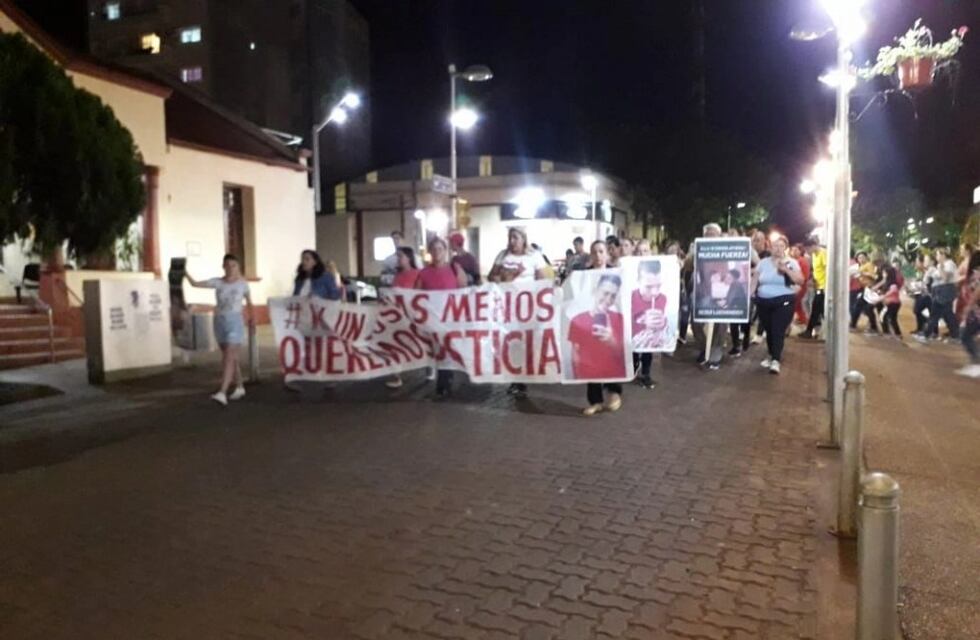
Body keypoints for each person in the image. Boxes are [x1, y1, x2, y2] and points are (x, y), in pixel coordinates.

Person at [489, 228, 552, 398]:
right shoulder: (503, 255)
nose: (512, 241)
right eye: (510, 238)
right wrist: (501, 278)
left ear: (524, 239)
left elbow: (543, 280)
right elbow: (491, 276)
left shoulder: (533, 257)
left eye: (515, 238)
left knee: (525, 342)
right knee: (512, 343)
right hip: (507, 307)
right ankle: (516, 379)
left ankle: (523, 377)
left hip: (527, 308)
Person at [186, 254, 254, 405]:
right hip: (220, 321)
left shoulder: (243, 284)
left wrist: (252, 319)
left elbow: (249, 302)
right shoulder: (217, 282)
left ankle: (222, 391)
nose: (230, 269)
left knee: (229, 356)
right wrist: (184, 272)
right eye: (227, 265)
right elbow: (195, 284)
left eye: (233, 265)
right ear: (223, 267)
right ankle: (240, 386)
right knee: (230, 356)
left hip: (235, 321)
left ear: (238, 267)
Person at [569, 241, 625, 416]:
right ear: (590, 255)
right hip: (589, 324)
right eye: (595, 252)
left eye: (601, 251)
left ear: (607, 254)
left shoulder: (617, 273)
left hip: (612, 322)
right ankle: (595, 401)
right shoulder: (584, 276)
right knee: (591, 359)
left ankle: (614, 392)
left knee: (614, 354)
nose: (598, 255)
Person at [417, 237, 467, 398]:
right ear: (430, 252)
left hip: (450, 317)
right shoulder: (424, 273)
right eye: (434, 249)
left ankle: (444, 384)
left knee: (446, 350)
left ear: (446, 251)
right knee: (438, 351)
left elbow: (464, 289)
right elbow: (414, 296)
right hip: (432, 318)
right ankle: (443, 381)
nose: (437, 252)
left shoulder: (454, 268)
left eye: (440, 249)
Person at [753, 235, 803, 374]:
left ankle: (776, 359)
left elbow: (800, 280)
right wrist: (750, 294)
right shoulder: (763, 263)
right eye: (776, 246)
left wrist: (786, 270)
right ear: (771, 247)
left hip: (784, 301)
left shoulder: (791, 263)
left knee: (777, 329)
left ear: (785, 248)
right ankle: (771, 354)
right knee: (769, 329)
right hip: (764, 301)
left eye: (781, 246)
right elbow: (755, 280)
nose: (778, 249)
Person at [690, 223, 727, 370]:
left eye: (713, 234)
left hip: (720, 292)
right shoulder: (697, 248)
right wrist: (693, 256)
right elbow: (687, 265)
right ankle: (705, 347)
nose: (710, 236)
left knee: (721, 323)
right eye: (708, 234)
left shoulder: (725, 250)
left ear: (719, 235)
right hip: (702, 293)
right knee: (695, 323)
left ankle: (716, 351)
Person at [631, 259, 668, 388]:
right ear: (638, 281)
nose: (654, 292)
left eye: (658, 286)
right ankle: (634, 367)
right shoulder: (630, 298)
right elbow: (624, 325)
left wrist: (662, 323)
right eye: (648, 287)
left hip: (650, 340)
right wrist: (642, 323)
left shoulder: (662, 298)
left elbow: (663, 321)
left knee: (648, 352)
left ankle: (646, 374)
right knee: (633, 353)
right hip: (632, 340)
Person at [955, 250, 980, 377]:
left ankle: (977, 363)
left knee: (965, 335)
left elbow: (977, 290)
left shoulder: (977, 273)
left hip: (976, 311)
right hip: (975, 310)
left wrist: (969, 306)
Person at [801, 237, 827, 339]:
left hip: (824, 288)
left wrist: (826, 287)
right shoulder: (814, 255)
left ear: (813, 246)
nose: (807, 252)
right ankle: (813, 330)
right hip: (818, 286)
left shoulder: (823, 253)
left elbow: (827, 269)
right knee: (817, 310)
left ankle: (810, 331)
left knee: (818, 310)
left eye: (808, 249)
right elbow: (817, 271)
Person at [850, 252, 880, 334]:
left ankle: (872, 327)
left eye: (863, 257)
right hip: (864, 289)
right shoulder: (860, 267)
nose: (861, 259)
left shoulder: (869, 265)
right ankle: (854, 324)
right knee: (861, 307)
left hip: (869, 289)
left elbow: (873, 275)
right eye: (859, 258)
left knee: (863, 307)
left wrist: (862, 273)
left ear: (866, 258)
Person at [908, 255, 935, 336]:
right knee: (918, 310)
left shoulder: (931, 270)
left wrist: (918, 285)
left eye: (926, 261)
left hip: (927, 295)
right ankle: (922, 328)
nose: (916, 264)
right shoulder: (924, 271)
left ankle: (929, 329)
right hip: (922, 293)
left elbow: (928, 283)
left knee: (921, 311)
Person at [878, 265, 903, 339]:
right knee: (892, 319)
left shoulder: (892, 283)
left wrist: (884, 295)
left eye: (884, 273)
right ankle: (897, 333)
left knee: (884, 317)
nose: (883, 275)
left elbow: (894, 290)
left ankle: (888, 333)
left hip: (893, 304)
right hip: (891, 303)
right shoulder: (887, 282)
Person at [790, 244, 811, 326]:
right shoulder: (793, 260)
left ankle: (789, 325)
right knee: (798, 306)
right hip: (795, 286)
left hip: (800, 287)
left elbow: (805, 276)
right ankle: (804, 320)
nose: (793, 252)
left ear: (800, 251)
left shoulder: (802, 261)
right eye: (792, 250)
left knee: (793, 305)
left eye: (796, 250)